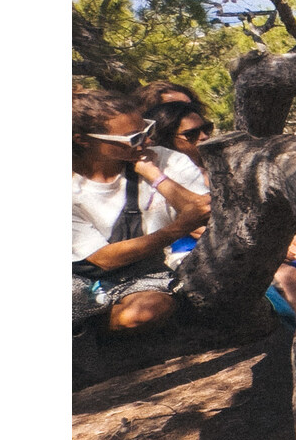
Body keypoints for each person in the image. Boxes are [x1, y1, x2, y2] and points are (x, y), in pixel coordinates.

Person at [73, 90, 211, 332]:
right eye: (133, 138)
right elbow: (101, 259)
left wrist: (156, 176)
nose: (146, 142)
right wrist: (178, 228)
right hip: (82, 277)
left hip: (144, 274)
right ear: (83, 140)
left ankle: (91, 329)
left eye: (147, 130)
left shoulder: (163, 159)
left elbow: (205, 210)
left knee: (146, 312)